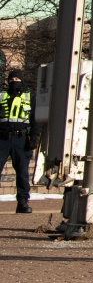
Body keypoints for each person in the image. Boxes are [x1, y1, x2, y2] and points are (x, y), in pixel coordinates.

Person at [3, 70, 33, 214]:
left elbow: (35, 120)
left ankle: (22, 202)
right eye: (12, 79)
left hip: (21, 139)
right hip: (2, 138)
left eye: (17, 78)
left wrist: (34, 138)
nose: (14, 81)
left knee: (22, 172)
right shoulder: (2, 95)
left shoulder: (29, 97)